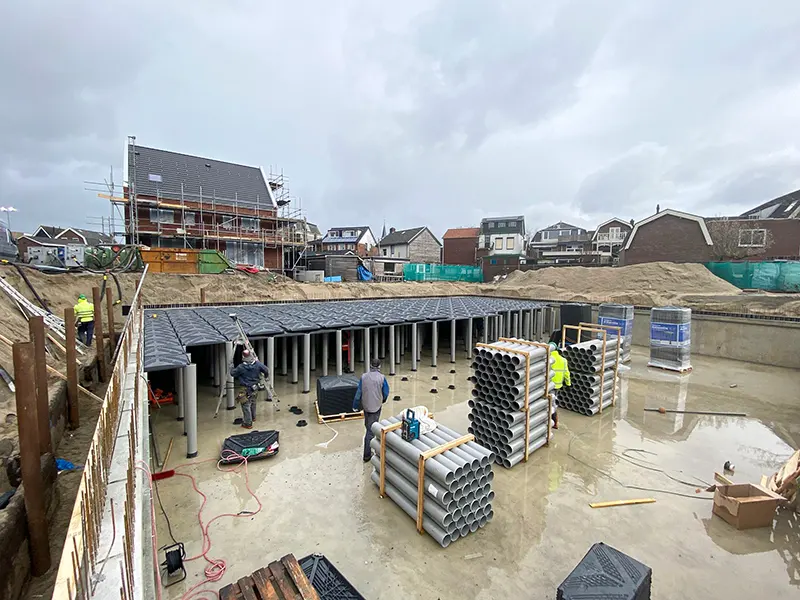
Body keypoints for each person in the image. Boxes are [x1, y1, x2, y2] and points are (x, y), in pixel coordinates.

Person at [353, 358, 389, 462]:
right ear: (379, 366)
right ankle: (367, 455)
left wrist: (355, 405)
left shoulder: (364, 377)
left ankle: (370, 439)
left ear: (370, 366)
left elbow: (358, 393)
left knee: (368, 424)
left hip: (366, 406)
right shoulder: (382, 378)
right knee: (371, 431)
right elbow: (386, 392)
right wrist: (383, 400)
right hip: (376, 407)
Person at [230, 349, 269, 429]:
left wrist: (231, 366)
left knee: (245, 405)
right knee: (253, 402)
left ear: (243, 357)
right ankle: (253, 417)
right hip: (255, 387)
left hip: (245, 389)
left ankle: (248, 423)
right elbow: (266, 370)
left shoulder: (241, 367)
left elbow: (232, 373)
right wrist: (265, 377)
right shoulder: (257, 364)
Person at [549, 342, 571, 429]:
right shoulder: (563, 360)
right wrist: (568, 384)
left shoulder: (549, 359)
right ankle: (554, 423)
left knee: (550, 405)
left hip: (549, 386)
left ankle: (554, 423)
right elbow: (566, 373)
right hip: (558, 386)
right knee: (553, 403)